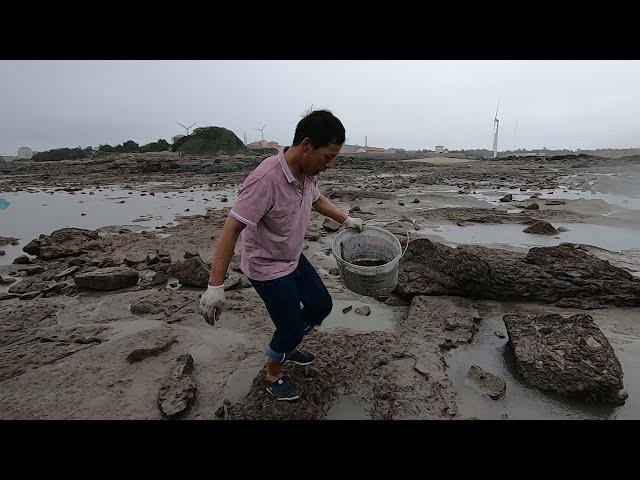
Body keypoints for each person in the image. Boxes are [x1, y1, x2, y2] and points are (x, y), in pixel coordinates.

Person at [199, 110, 363, 401]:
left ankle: (289, 342)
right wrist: (215, 286)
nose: (330, 164)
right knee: (289, 328)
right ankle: (273, 373)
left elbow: (317, 199)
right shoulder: (265, 179)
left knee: (321, 306)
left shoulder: (307, 173)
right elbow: (231, 229)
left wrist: (345, 219)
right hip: (266, 268)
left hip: (292, 257)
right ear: (307, 145)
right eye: (328, 156)